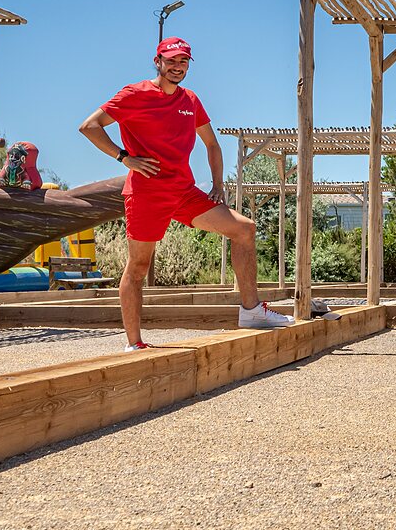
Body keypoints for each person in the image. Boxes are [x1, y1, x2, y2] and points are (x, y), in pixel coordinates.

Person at [79, 37, 292, 351]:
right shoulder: (134, 94)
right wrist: (125, 157)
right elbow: (90, 126)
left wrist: (218, 185)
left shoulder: (190, 100)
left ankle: (252, 312)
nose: (177, 67)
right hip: (147, 193)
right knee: (138, 266)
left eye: (183, 62)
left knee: (243, 229)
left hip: (183, 192)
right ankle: (134, 344)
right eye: (172, 61)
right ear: (158, 61)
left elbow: (213, 144)